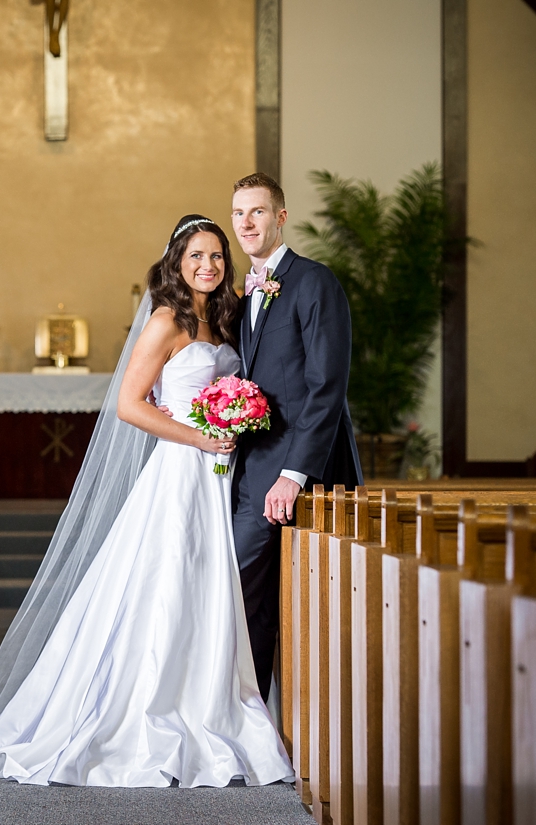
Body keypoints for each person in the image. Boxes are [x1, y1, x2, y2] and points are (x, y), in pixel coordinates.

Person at [0, 215, 294, 788]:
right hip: (181, 472)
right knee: (169, 584)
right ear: (176, 260)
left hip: (223, 475)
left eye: (217, 256)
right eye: (196, 255)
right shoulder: (166, 320)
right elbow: (129, 404)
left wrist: (234, 417)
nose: (208, 265)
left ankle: (209, 700)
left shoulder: (223, 318)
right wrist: (200, 434)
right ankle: (153, 707)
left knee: (209, 586)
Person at [228, 173, 362, 701]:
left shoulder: (314, 282)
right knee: (252, 605)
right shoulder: (243, 292)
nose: (247, 223)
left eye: (258, 212)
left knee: (247, 592)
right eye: (239, 213)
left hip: (294, 473)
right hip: (249, 467)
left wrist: (293, 475)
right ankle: (251, 724)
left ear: (280, 216)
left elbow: (326, 386)